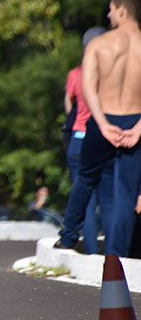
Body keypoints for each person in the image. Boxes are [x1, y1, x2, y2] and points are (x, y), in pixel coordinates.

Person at [56, 0, 141, 256]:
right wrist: (139, 129)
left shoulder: (99, 45)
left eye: (111, 9)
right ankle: (118, 253)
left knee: (85, 180)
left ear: (122, 10)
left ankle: (69, 236)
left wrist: (103, 123)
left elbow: (88, 89)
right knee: (126, 193)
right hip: (135, 122)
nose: (108, 14)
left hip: (103, 120)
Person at [62, 26, 108, 253]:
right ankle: (114, 251)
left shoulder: (76, 74)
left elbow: (69, 103)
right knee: (108, 194)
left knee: (84, 195)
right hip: (106, 134)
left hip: (79, 136)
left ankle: (89, 249)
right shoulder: (111, 74)